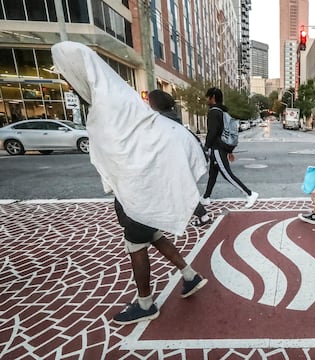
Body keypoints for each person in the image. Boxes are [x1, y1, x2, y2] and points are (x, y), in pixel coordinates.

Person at [51, 41, 209, 325]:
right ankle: (190, 276)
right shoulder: (115, 96)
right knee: (154, 235)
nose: (65, 79)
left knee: (135, 245)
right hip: (145, 183)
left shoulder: (108, 105)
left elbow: (122, 148)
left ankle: (146, 303)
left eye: (65, 74)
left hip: (143, 187)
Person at [148, 90, 211, 226]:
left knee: (180, 191)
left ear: (154, 105)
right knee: (180, 190)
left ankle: (201, 215)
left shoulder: (161, 122)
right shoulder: (172, 119)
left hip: (173, 162)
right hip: (180, 161)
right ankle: (200, 215)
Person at [200, 87, 258, 208]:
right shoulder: (222, 112)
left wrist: (206, 147)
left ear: (213, 98)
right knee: (212, 174)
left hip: (217, 149)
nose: (206, 99)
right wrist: (229, 150)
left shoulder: (214, 112)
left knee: (227, 174)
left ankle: (250, 194)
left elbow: (212, 132)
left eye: (208, 97)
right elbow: (225, 132)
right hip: (220, 149)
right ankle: (206, 197)